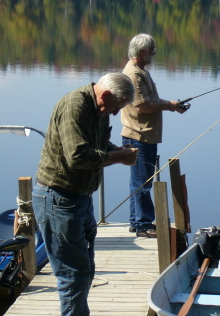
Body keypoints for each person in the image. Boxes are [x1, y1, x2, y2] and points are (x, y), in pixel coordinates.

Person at [32, 72, 138, 316]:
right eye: (114, 108)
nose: (113, 113)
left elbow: (98, 145)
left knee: (84, 269)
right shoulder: (75, 105)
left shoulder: (99, 108)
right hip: (58, 199)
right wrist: (119, 157)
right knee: (73, 274)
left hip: (79, 199)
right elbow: (78, 156)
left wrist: (117, 150)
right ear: (107, 94)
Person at [121, 33, 185, 238]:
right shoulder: (134, 74)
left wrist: (172, 106)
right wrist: (169, 106)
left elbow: (150, 100)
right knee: (143, 182)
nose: (154, 53)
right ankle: (143, 225)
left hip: (143, 135)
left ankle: (136, 222)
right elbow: (142, 106)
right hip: (139, 136)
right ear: (141, 52)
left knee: (138, 181)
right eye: (151, 49)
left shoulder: (139, 71)